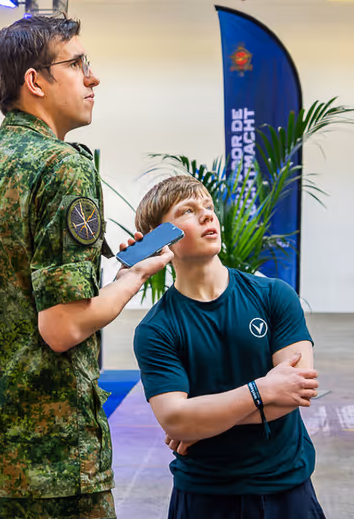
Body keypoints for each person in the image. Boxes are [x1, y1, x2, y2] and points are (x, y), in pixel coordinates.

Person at [0, 15, 172, 519]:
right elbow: (62, 326)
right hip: (45, 467)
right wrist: (131, 278)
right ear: (35, 81)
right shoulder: (63, 167)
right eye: (77, 63)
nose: (92, 77)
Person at [130, 175, 323, 518]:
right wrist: (261, 388)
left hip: (286, 487)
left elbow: (296, 392)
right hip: (205, 495)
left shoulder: (273, 295)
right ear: (161, 241)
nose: (207, 215)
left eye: (207, 206)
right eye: (187, 211)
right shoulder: (156, 329)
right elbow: (176, 419)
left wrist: (199, 423)